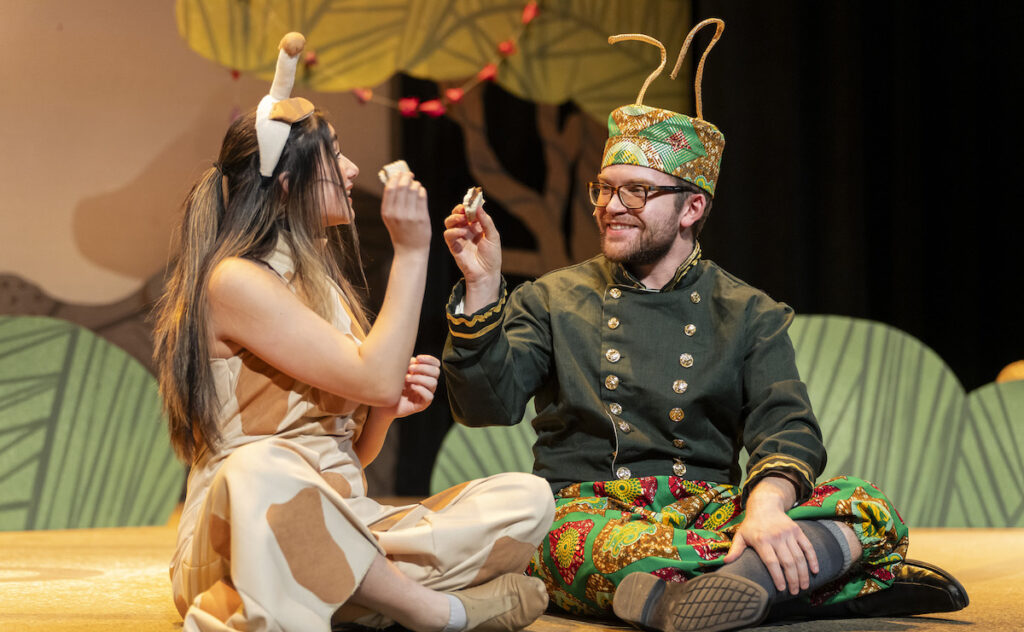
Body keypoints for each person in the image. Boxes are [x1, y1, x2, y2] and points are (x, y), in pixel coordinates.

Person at [441, 20, 966, 632]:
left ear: (692, 207)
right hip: (590, 513)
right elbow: (486, 406)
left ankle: (701, 591)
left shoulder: (748, 311)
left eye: (636, 192)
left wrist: (766, 509)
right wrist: (482, 291)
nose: (612, 207)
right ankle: (804, 581)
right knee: (579, 547)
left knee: (869, 506)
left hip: (712, 511)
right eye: (605, 190)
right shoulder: (553, 297)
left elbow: (786, 427)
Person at [154, 32, 554, 632]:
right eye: (333, 156)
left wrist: (383, 415)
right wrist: (414, 252)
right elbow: (370, 376)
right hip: (241, 528)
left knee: (527, 500)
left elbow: (348, 457)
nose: (352, 169)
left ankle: (332, 591)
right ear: (286, 184)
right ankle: (427, 609)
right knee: (261, 467)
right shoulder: (234, 280)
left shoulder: (325, 288)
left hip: (346, 518)